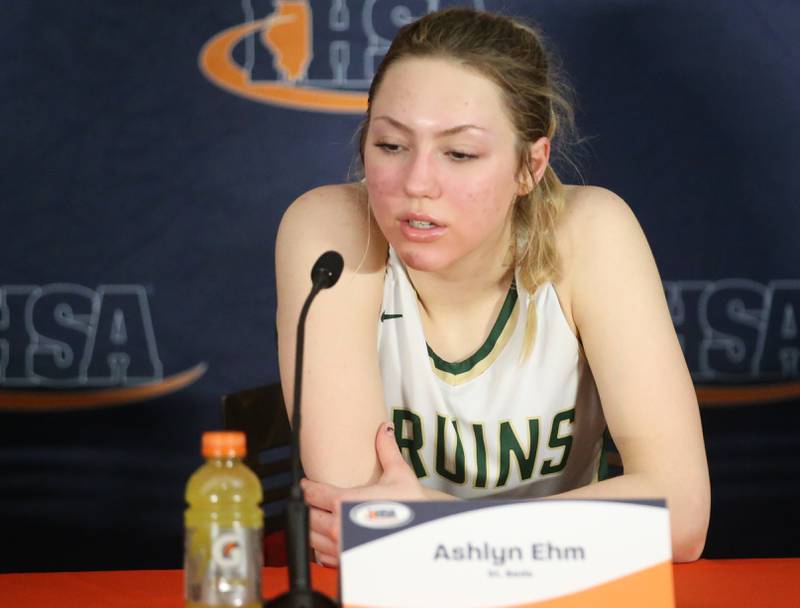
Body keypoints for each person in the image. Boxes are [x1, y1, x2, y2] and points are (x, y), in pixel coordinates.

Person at [275, 8, 710, 566]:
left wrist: (437, 523)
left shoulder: (592, 232)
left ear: (530, 165)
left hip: (568, 595)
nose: (417, 183)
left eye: (460, 153)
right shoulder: (331, 229)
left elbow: (684, 518)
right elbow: (361, 523)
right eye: (390, 146)